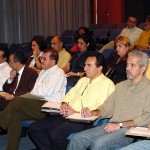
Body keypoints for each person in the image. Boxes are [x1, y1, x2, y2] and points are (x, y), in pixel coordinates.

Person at [28, 52, 115, 150]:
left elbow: (100, 108)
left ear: (100, 68)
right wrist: (64, 104)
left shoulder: (107, 84)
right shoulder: (83, 80)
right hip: (68, 114)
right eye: (85, 65)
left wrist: (76, 112)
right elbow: (69, 95)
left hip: (84, 120)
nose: (85, 68)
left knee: (55, 134)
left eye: (89, 65)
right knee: (34, 128)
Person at [67, 50, 150, 150]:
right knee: (78, 139)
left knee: (99, 144)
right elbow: (106, 108)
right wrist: (92, 112)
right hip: (112, 125)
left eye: (132, 65)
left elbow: (146, 116)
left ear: (142, 69)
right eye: (127, 64)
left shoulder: (148, 88)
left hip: (130, 130)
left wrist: (120, 125)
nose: (127, 68)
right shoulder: (120, 86)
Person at [0, 49, 66, 150]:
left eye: (44, 59)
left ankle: (1, 123)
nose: (41, 61)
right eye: (41, 58)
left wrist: (30, 94)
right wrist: (31, 94)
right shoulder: (43, 72)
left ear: (53, 61)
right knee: (15, 115)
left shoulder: (58, 72)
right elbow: (36, 90)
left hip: (49, 107)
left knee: (17, 100)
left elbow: (45, 92)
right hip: (37, 103)